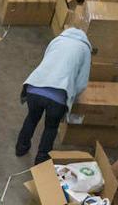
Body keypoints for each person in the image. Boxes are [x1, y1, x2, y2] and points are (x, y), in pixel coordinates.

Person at [15, 27, 91, 164]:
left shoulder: (57, 40)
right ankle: (41, 158)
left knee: (31, 118)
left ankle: (21, 148)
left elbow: (47, 61)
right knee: (51, 127)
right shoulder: (85, 50)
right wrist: (72, 95)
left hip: (35, 86)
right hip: (58, 97)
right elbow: (81, 82)